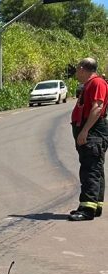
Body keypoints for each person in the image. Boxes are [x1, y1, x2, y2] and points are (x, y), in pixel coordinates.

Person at [69, 57, 107, 221]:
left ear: (83, 69)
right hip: (90, 130)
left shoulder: (97, 83)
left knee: (90, 169)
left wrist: (85, 131)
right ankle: (92, 205)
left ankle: (88, 209)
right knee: (95, 168)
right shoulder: (89, 85)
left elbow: (97, 107)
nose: (76, 73)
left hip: (93, 131)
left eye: (77, 69)